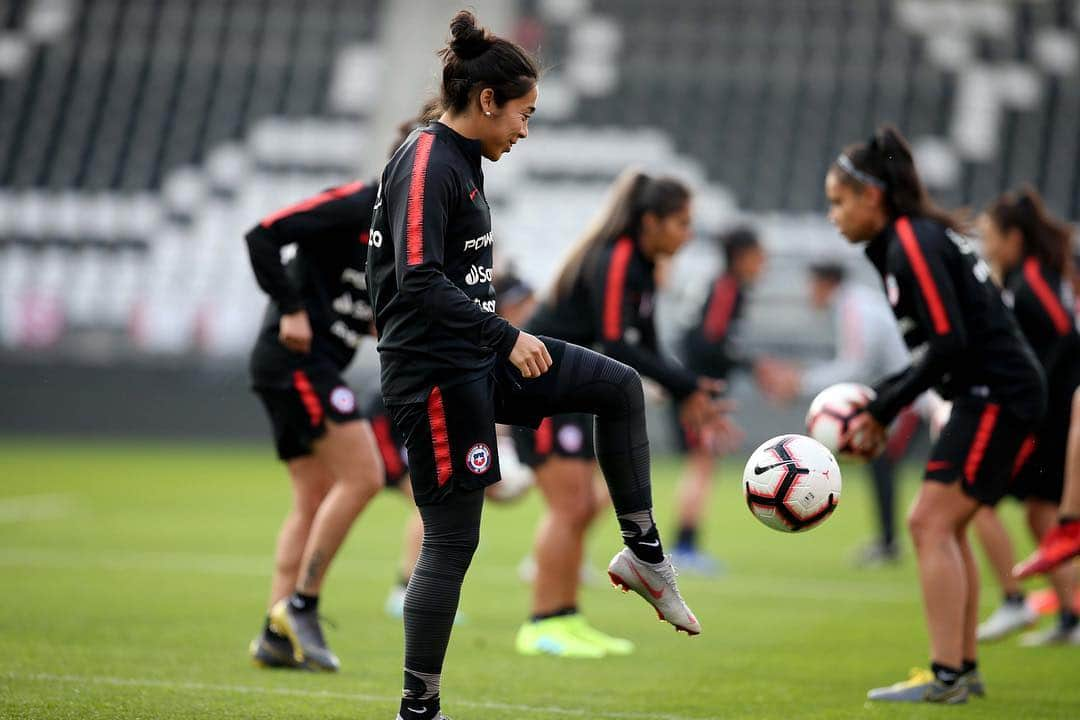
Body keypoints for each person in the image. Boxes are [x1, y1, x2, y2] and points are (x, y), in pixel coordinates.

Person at [365, 13, 709, 720]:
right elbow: (418, 280)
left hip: (471, 362)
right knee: (452, 540)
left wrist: (491, 339)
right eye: (524, 113)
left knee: (616, 386)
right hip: (434, 377)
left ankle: (645, 557)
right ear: (488, 101)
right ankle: (419, 707)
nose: (526, 130)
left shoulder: (460, 161)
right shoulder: (429, 158)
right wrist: (502, 334)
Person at [825, 126, 1045, 704]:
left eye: (838, 201)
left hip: (994, 394)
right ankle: (960, 671)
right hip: (990, 392)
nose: (833, 215)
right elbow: (941, 348)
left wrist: (881, 408)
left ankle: (948, 676)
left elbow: (947, 342)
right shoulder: (907, 241)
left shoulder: (911, 242)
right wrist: (881, 401)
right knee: (944, 523)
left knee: (930, 523)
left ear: (872, 197)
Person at [510, 169, 730, 658]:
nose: (688, 234)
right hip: (539, 388)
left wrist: (687, 391)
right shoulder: (616, 259)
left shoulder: (642, 268)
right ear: (650, 222)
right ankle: (542, 622)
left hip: (573, 395)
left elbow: (646, 347)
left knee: (583, 507)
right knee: (568, 507)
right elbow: (616, 342)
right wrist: (686, 383)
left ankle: (567, 616)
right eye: (681, 223)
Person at [245, 178, 384, 671]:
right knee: (364, 476)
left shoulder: (404, 230)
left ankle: (275, 635)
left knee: (311, 499)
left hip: (301, 366)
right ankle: (302, 607)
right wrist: (293, 309)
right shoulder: (356, 204)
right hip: (298, 361)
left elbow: (362, 307)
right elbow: (261, 235)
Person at [971, 187, 1080, 645]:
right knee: (1042, 515)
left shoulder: (1032, 279)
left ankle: (1015, 602)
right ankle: (1073, 616)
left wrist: (1034, 395)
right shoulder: (1027, 276)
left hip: (1046, 416)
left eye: (989, 236)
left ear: (1013, 238)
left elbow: (1063, 333)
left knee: (972, 496)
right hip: (1049, 411)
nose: (985, 245)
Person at [669, 227, 768, 574]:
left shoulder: (726, 287)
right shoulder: (726, 288)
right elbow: (707, 343)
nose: (763, 264)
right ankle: (683, 546)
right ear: (741, 256)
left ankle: (684, 545)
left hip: (697, 389)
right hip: (699, 393)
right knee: (701, 465)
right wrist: (750, 367)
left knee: (703, 465)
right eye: (759, 256)